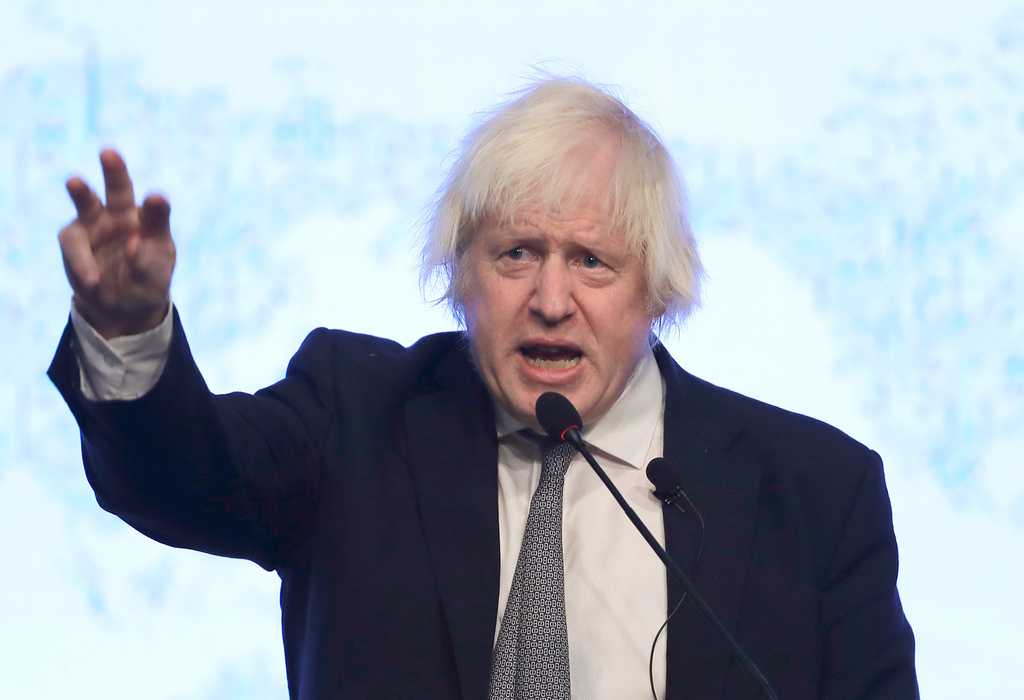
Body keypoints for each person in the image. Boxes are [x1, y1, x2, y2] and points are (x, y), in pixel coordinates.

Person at [49, 78, 919, 699]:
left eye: (591, 262)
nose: (549, 300)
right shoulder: (352, 422)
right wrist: (129, 330)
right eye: (515, 255)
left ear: (658, 289)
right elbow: (177, 477)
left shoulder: (815, 494)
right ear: (457, 278)